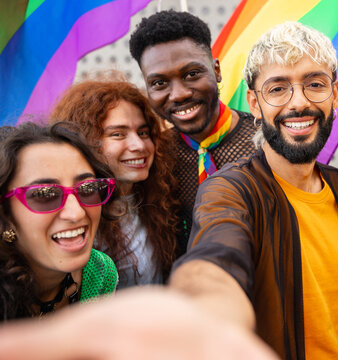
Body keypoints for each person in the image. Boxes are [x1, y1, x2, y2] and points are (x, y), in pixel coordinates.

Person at [168, 22, 338, 360]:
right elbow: (217, 253)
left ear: (335, 95)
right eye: (277, 89)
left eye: (315, 84)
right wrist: (208, 309)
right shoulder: (230, 190)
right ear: (255, 104)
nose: (298, 103)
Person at [129, 10, 257, 254]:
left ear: (216, 71)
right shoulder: (155, 158)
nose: (179, 94)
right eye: (159, 83)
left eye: (191, 74)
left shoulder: (266, 142)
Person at [51, 77, 179, 288]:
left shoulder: (156, 201)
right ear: (85, 141)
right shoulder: (74, 218)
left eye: (143, 132)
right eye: (118, 134)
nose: (139, 145)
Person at [0, 122, 118, 320]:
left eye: (88, 188)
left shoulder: (99, 272)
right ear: (5, 214)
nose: (76, 213)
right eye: (44, 194)